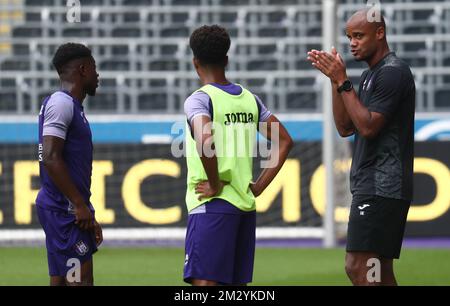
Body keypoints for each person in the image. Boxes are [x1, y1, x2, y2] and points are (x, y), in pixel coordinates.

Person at [307, 9, 415, 286]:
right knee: (378, 269)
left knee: (358, 266)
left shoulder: (393, 73)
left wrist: (343, 81)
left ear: (380, 33)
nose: (352, 42)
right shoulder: (371, 75)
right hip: (375, 186)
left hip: (381, 186)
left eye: (358, 35)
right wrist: (335, 82)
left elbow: (368, 127)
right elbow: (345, 128)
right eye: (349, 37)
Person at [183, 25, 293, 286]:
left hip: (212, 206)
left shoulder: (199, 100)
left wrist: (213, 182)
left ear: (195, 62)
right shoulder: (250, 100)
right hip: (245, 206)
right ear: (226, 60)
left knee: (206, 285)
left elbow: (205, 140)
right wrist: (259, 187)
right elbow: (285, 141)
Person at [36, 43, 103, 286]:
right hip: (63, 210)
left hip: (66, 209)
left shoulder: (69, 106)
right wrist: (78, 205)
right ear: (83, 69)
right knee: (81, 281)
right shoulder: (61, 103)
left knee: (62, 280)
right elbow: (51, 157)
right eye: (95, 68)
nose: (98, 75)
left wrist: (86, 209)